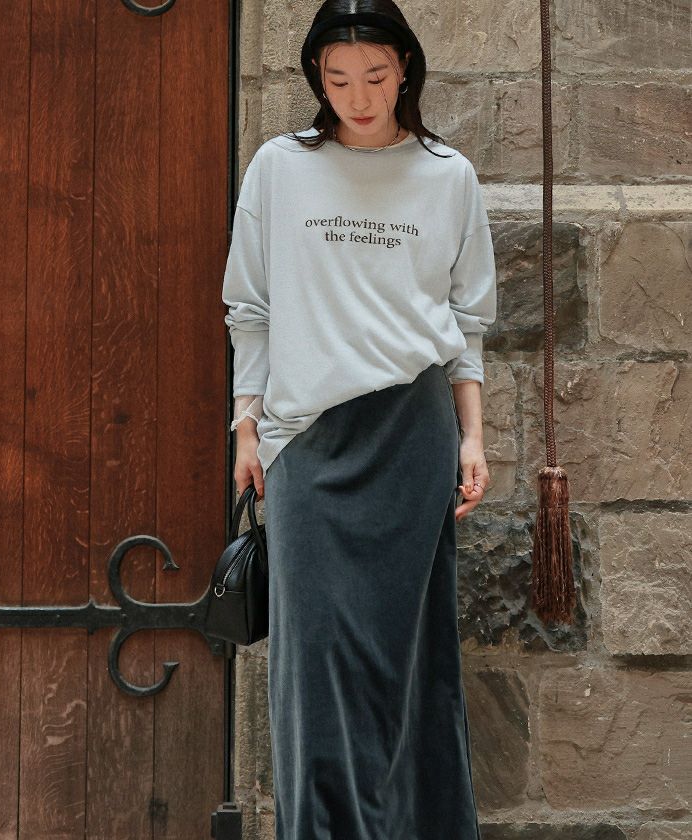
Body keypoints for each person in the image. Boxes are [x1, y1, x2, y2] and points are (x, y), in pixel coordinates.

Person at [222, 2, 496, 837]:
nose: (359, 97)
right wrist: (247, 426)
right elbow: (250, 308)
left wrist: (473, 437)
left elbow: (467, 323)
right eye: (338, 80)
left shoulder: (448, 175)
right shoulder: (279, 167)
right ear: (317, 78)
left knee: (407, 658)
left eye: (375, 76)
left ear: (405, 68)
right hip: (306, 441)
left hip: (412, 434)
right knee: (313, 663)